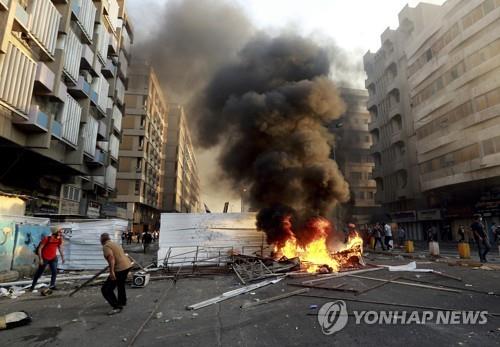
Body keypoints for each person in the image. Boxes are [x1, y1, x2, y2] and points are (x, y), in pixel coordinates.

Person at [100, 233, 132, 315]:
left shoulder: (106, 246)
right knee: (120, 284)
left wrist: (112, 271)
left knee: (106, 289)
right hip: (127, 265)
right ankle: (122, 302)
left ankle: (117, 307)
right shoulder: (114, 243)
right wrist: (112, 267)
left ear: (102, 240)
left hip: (120, 268)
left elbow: (111, 258)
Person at [30, 226, 65, 291]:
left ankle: (52, 285)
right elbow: (40, 249)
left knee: (54, 272)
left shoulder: (59, 239)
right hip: (45, 258)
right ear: (55, 232)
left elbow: (59, 248)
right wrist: (40, 259)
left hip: (53, 258)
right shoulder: (47, 239)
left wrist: (63, 257)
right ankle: (32, 286)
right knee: (39, 273)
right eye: (59, 232)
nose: (60, 233)